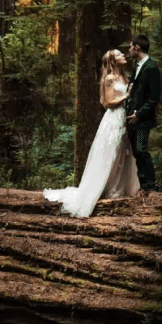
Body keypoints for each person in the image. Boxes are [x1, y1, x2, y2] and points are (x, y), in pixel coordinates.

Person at [43, 49, 140, 218]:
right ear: (112, 60)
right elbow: (108, 102)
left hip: (125, 118)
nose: (123, 56)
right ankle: (107, 189)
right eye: (119, 54)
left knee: (123, 154)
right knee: (111, 152)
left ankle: (119, 188)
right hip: (114, 119)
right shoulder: (109, 78)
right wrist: (127, 96)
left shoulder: (125, 78)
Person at [125, 34, 162, 192]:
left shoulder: (151, 66)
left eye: (130, 46)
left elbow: (154, 97)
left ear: (137, 47)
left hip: (143, 118)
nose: (129, 49)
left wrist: (139, 114)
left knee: (141, 150)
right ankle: (142, 185)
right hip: (132, 118)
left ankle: (151, 185)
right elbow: (133, 90)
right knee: (135, 152)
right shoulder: (136, 66)